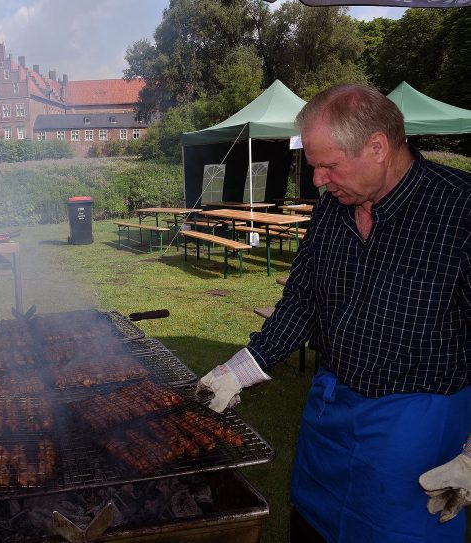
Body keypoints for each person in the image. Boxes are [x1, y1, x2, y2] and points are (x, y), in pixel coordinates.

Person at [197, 84, 470, 542]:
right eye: (314, 166)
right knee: (312, 527)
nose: (318, 180)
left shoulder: (459, 208)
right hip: (331, 410)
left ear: (378, 147)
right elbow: (302, 301)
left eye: (329, 166)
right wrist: (238, 371)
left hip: (417, 430)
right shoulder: (332, 211)